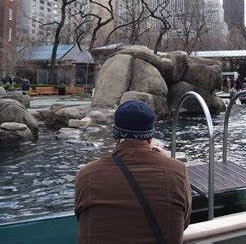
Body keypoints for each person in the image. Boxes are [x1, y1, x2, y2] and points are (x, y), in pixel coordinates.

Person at [75, 100, 192, 244]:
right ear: (150, 139)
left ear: (115, 138)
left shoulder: (86, 175)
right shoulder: (177, 172)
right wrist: (165, 162)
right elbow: (184, 222)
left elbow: (82, 217)